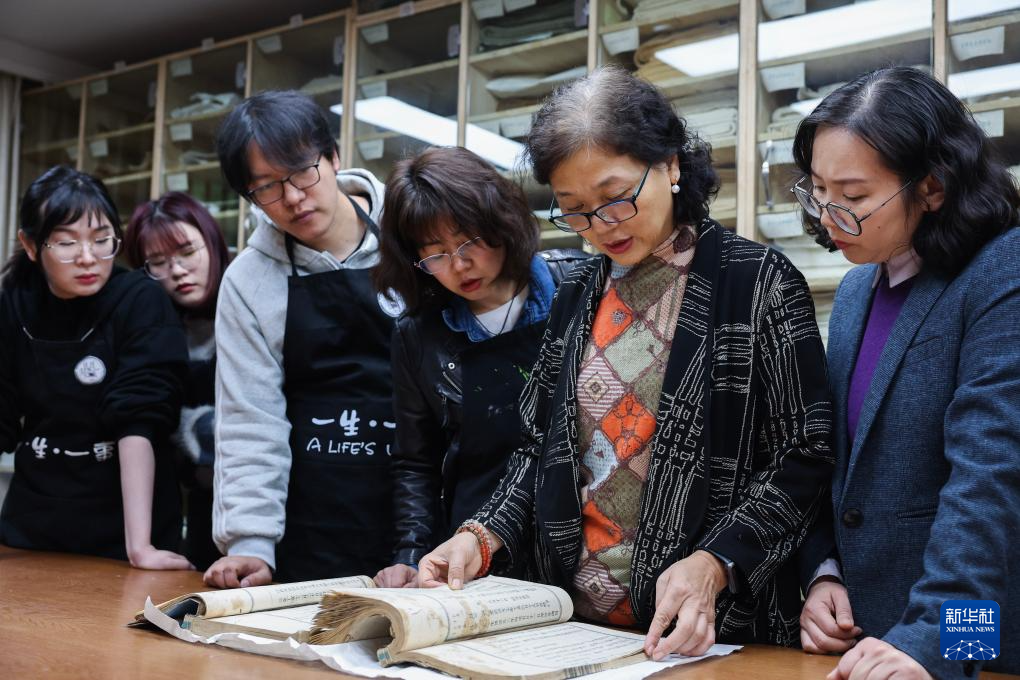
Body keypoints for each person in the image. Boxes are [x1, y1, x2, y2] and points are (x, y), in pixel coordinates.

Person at [417, 66, 835, 658]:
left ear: (670, 165)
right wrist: (481, 536)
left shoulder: (757, 282)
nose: (600, 227)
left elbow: (805, 452)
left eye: (615, 199)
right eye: (575, 210)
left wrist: (716, 562)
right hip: (575, 630)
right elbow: (540, 448)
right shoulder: (574, 293)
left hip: (714, 632)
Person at [792, 67, 1020, 680]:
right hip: (868, 640)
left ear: (933, 187)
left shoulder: (1003, 272)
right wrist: (824, 574)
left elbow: (993, 475)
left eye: (854, 195)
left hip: (969, 640)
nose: (829, 216)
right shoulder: (857, 289)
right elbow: (839, 464)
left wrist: (939, 644)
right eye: (818, 189)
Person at [203, 90, 397, 588]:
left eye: (301, 173)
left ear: (333, 157)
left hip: (418, 511)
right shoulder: (248, 280)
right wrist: (250, 543)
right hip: (310, 519)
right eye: (266, 188)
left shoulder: (411, 235)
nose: (291, 198)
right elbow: (250, 419)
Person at [371, 147, 588, 587]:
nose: (459, 265)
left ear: (500, 221)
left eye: (468, 241)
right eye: (435, 254)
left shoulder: (577, 285)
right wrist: (410, 554)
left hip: (579, 541)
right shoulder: (418, 335)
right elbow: (417, 461)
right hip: (472, 555)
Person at [0, 166, 190, 569]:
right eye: (66, 243)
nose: (88, 258)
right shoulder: (14, 302)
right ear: (30, 245)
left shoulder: (140, 300)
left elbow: (138, 420)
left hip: (123, 533)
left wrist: (140, 547)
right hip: (33, 528)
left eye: (102, 240)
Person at [123, 192, 231, 570]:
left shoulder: (248, 305)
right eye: (158, 263)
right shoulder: (151, 328)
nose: (178, 270)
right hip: (198, 507)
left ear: (212, 242)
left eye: (187, 252)